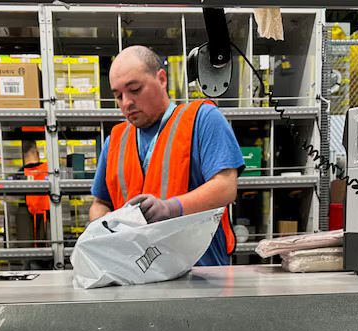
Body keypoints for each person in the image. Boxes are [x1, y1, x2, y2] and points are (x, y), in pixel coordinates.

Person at [90, 46, 245, 266]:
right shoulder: (115, 140)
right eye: (118, 95)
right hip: (133, 274)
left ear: (161, 79)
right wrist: (102, 229)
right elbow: (100, 202)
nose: (126, 103)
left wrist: (169, 208)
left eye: (135, 89)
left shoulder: (202, 120)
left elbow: (225, 187)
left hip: (201, 276)